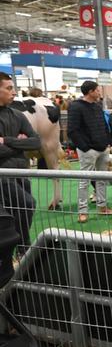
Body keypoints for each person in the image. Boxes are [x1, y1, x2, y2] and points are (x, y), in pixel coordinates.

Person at [0, 72, 40, 255]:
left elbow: (36, 141)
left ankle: (20, 249)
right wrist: (19, 143)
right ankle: (23, 246)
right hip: (3, 175)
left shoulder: (18, 115)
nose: (14, 92)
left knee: (21, 209)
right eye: (9, 88)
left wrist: (7, 141)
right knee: (27, 204)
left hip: (22, 171)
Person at [67, 80, 112, 223]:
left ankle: (103, 207)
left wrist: (108, 142)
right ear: (90, 92)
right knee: (84, 181)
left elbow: (103, 125)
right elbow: (73, 130)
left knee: (102, 179)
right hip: (88, 151)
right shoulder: (76, 107)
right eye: (98, 90)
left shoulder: (97, 106)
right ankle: (83, 211)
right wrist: (86, 148)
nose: (100, 92)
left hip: (102, 148)